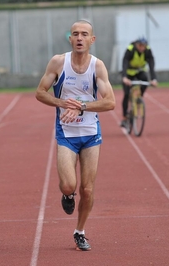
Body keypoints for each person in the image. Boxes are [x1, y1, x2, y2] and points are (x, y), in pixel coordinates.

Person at [35, 20, 115, 251]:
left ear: (92, 40)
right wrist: (61, 102)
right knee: (69, 186)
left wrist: (81, 106)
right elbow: (40, 92)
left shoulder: (97, 66)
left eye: (84, 34)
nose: (79, 38)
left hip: (91, 134)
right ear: (70, 39)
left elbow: (110, 102)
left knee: (87, 189)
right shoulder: (59, 62)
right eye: (75, 34)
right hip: (66, 134)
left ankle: (79, 231)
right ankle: (67, 196)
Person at [120, 37, 158, 127]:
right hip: (129, 73)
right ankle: (125, 117)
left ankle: (139, 98)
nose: (142, 48)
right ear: (136, 45)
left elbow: (151, 64)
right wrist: (124, 77)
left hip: (139, 71)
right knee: (126, 94)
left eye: (143, 46)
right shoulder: (130, 49)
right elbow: (124, 62)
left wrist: (154, 79)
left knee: (145, 80)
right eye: (140, 46)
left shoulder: (148, 51)